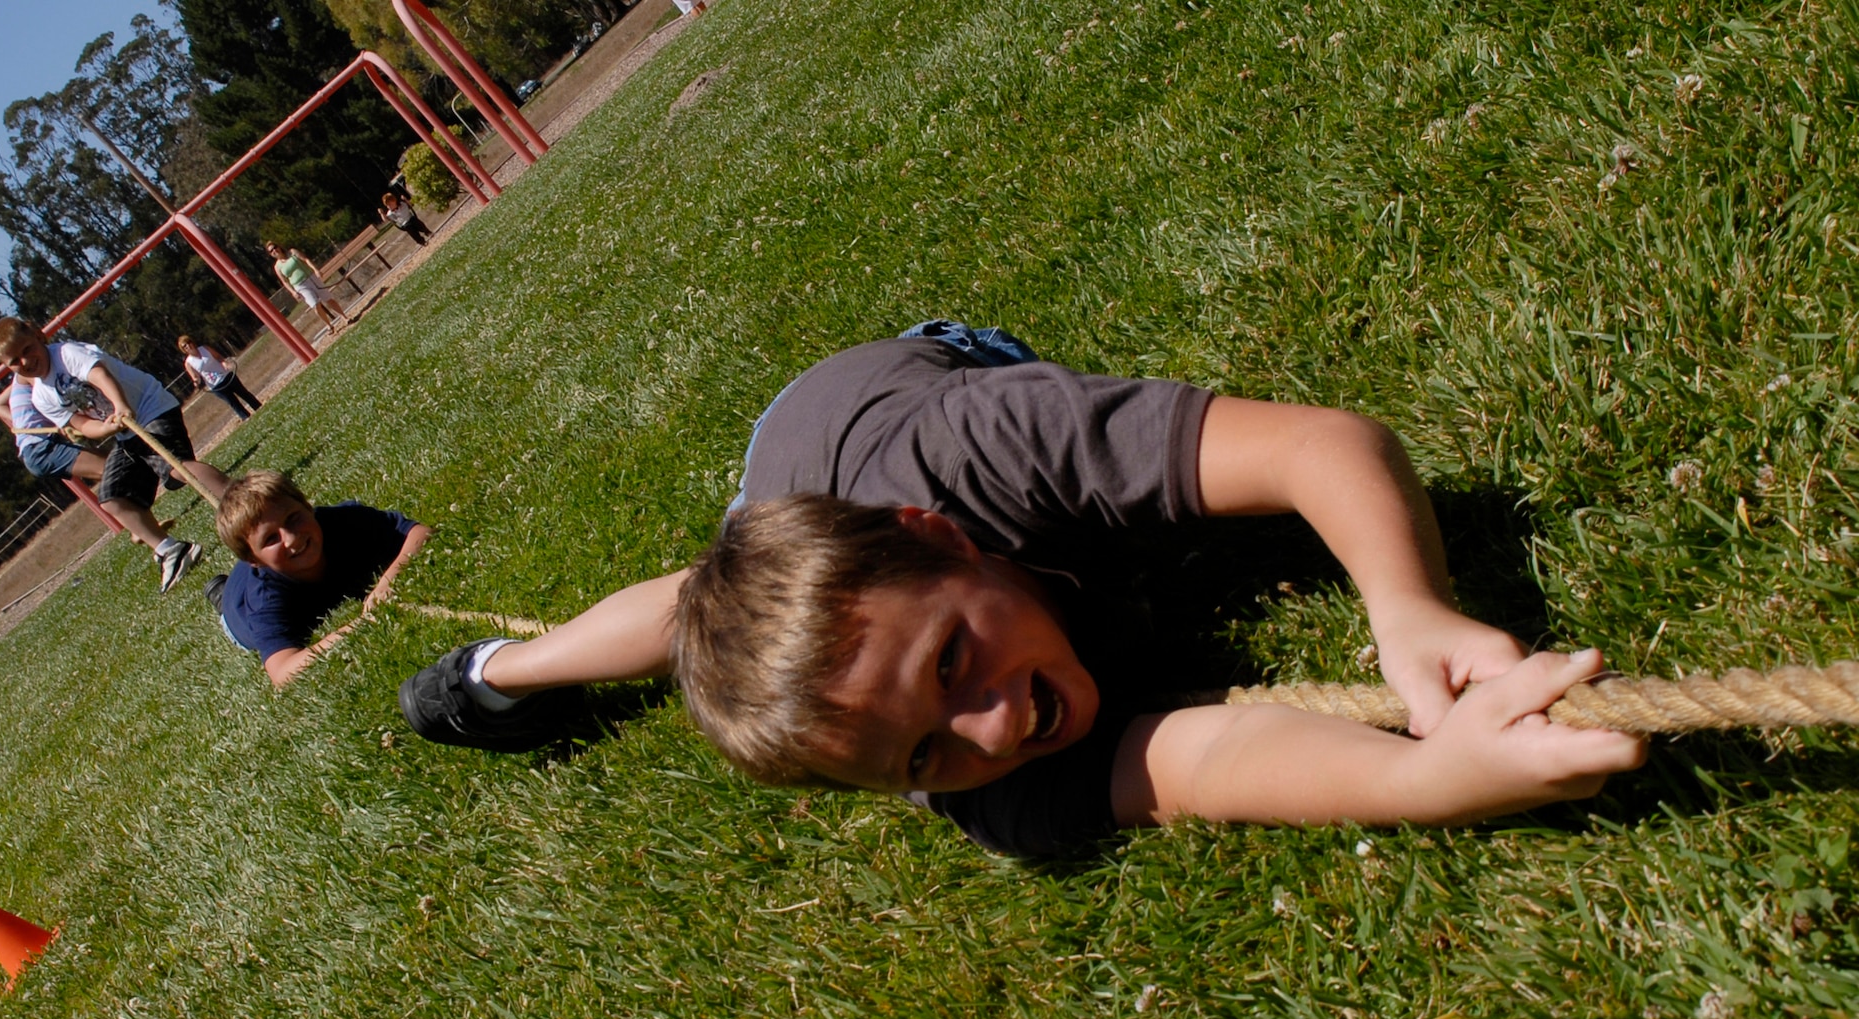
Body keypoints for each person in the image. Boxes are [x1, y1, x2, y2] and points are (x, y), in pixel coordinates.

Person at [398, 322, 1645, 856]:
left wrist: (1404, 608)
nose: (994, 727)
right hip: (797, 508)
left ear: (946, 539)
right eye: (924, 758)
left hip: (872, 390)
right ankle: (498, 677)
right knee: (709, 621)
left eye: (949, 663)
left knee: (694, 599)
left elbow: (1319, 445)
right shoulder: (991, 797)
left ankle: (500, 671)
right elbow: (1200, 763)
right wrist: (1419, 783)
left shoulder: (989, 448)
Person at [0, 317, 228, 593]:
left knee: (175, 469)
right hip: (125, 433)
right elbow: (82, 425)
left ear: (39, 336)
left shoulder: (66, 354)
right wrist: (106, 427)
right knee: (112, 498)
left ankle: (237, 498)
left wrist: (120, 404)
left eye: (27, 350)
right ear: (8, 368)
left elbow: (100, 376)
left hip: (149, 408)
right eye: (15, 361)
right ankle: (172, 550)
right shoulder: (41, 396)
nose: (25, 362)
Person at [212, 469, 431, 688]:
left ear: (307, 506)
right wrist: (361, 624)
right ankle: (218, 594)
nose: (291, 538)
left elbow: (418, 532)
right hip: (237, 608)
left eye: (292, 519)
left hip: (259, 567)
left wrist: (388, 582)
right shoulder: (263, 600)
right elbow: (282, 673)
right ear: (253, 559)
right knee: (230, 609)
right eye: (271, 538)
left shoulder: (342, 520)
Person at [6, 377, 104, 497]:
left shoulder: (19, 381)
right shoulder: (29, 374)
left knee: (115, 463)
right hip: (41, 448)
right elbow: (52, 392)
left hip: (38, 447)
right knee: (110, 468)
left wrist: (22, 422)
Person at [265, 243, 350, 335]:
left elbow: (305, 260)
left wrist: (315, 270)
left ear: (279, 247)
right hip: (300, 286)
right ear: (270, 254)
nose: (274, 251)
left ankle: (344, 317)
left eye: (274, 248)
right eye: (271, 251)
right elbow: (285, 281)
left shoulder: (292, 252)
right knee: (315, 305)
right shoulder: (277, 267)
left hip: (310, 277)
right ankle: (329, 325)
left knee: (328, 299)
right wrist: (293, 292)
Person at [177, 336, 261, 421]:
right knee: (233, 402)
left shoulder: (204, 349)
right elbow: (195, 377)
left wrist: (224, 363)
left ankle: (259, 407)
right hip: (216, 386)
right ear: (183, 349)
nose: (188, 346)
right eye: (184, 346)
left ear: (192, 342)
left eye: (188, 342)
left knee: (244, 393)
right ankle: (246, 418)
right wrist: (196, 382)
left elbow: (218, 356)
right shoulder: (188, 363)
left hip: (226, 375)